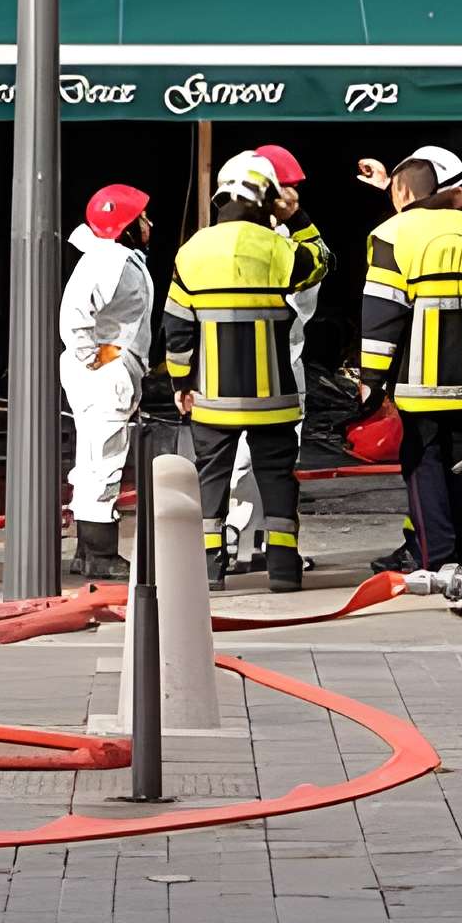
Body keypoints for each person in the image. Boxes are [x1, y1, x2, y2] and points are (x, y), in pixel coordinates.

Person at [160, 150, 329, 592]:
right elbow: (323, 261)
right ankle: (284, 569)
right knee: (276, 479)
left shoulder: (191, 252)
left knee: (210, 478)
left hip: (211, 397)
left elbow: (177, 329)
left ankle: (209, 569)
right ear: (265, 200)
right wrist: (299, 215)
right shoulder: (281, 249)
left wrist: (181, 382)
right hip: (273, 396)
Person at [357, 145, 462, 582]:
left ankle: (436, 559)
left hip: (415, 384)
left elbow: (381, 315)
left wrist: (371, 380)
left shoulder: (392, 234)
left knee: (422, 467)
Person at [224, 143, 328, 569]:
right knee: (260, 459)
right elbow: (318, 268)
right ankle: (253, 543)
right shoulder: (277, 242)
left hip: (237, 364)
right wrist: (298, 222)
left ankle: (240, 543)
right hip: (276, 365)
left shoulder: (220, 238)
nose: (293, 196)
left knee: (245, 459)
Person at [58, 182, 154, 581]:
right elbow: (76, 314)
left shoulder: (110, 257)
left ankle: (88, 552)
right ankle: (99, 554)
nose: (149, 223)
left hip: (105, 367)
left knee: (94, 459)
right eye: (142, 217)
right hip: (106, 372)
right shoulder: (109, 262)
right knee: (105, 460)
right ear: (126, 225)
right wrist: (92, 357)